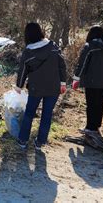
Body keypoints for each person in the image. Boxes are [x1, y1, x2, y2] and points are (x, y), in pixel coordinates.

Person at [15, 22, 67, 150]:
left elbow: (23, 70)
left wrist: (19, 86)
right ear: (40, 32)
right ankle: (40, 142)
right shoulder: (53, 46)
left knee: (29, 113)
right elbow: (62, 65)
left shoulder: (28, 52)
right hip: (53, 87)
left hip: (35, 87)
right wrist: (63, 82)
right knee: (47, 114)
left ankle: (23, 140)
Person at [72, 26, 103, 135]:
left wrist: (76, 78)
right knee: (99, 103)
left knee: (91, 104)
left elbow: (82, 64)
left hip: (92, 81)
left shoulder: (90, 47)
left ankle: (90, 128)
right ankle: (97, 126)